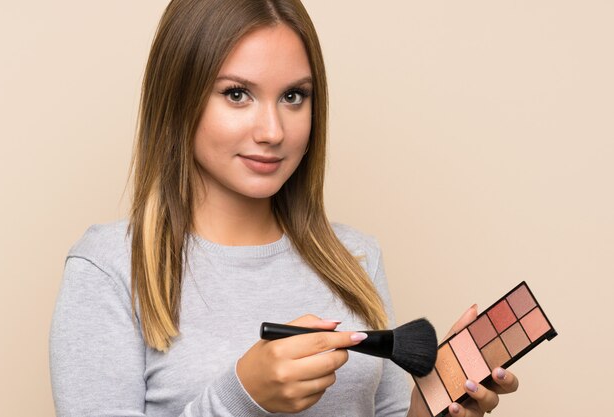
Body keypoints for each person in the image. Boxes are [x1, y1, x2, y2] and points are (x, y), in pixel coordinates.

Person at [49, 1, 518, 416]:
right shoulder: (110, 268)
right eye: (237, 94)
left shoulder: (354, 258)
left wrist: (431, 406)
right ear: (178, 97)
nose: (273, 130)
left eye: (294, 96)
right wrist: (242, 397)